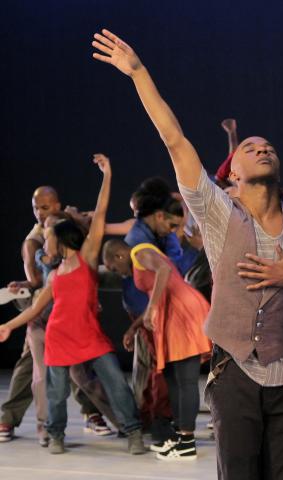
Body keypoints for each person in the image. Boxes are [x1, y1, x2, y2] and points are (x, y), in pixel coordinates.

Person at [92, 29, 283, 479]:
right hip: (234, 371)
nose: (263, 149)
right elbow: (174, 138)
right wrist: (138, 72)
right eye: (250, 147)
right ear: (232, 171)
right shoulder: (218, 211)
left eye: (268, 147)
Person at [0, 154, 144, 455]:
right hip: (58, 339)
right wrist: (8, 326)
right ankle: (56, 435)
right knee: (56, 393)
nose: (45, 243)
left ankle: (133, 432)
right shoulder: (53, 275)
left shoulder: (87, 258)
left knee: (116, 384)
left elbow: (101, 213)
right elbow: (36, 309)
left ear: (62, 239)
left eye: (49, 239)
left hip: (89, 337)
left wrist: (107, 174)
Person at [0, 188, 111, 443]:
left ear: (57, 206)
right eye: (35, 208)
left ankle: (94, 414)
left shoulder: (64, 227)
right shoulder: (34, 242)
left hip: (67, 308)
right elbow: (36, 279)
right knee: (32, 367)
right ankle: (10, 418)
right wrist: (26, 284)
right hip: (43, 309)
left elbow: (85, 256)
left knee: (79, 366)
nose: (39, 213)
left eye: (45, 208)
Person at [102, 238, 211, 461]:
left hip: (183, 312)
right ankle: (179, 436)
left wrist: (152, 308)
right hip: (170, 315)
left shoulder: (139, 252)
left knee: (185, 379)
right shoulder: (137, 263)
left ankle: (187, 444)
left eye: (114, 268)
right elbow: (155, 296)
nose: (117, 273)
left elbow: (163, 270)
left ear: (120, 255)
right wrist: (134, 328)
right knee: (171, 377)